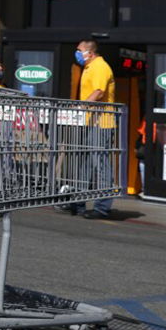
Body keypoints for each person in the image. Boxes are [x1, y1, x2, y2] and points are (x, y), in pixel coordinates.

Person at [62, 39, 117, 219]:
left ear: (90, 53)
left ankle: (102, 207)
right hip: (89, 121)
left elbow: (99, 92)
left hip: (101, 123)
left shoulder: (100, 66)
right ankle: (78, 203)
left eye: (79, 50)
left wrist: (80, 107)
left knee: (100, 164)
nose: (76, 53)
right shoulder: (87, 68)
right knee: (84, 164)